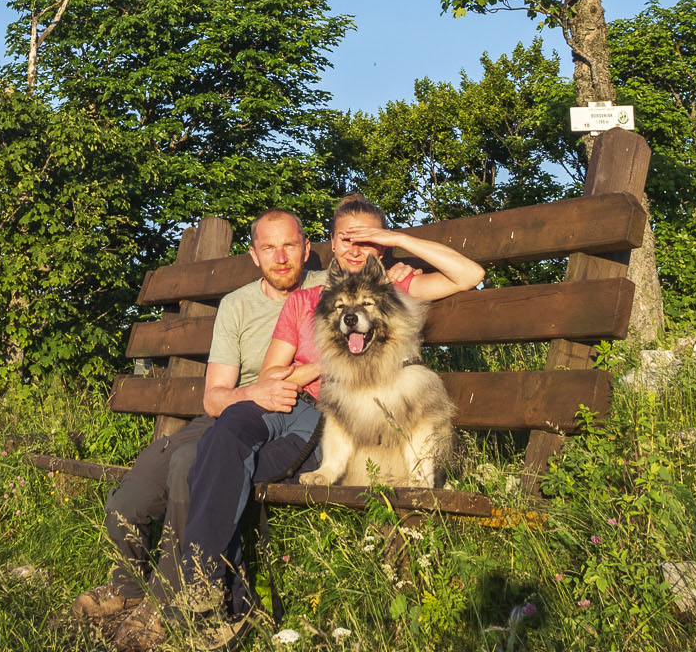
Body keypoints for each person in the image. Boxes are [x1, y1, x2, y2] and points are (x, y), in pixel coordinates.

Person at [148, 194, 486, 641]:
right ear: (329, 243)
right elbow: (271, 375)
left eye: (367, 239)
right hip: (299, 409)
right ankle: (211, 593)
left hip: (356, 421)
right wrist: (321, 366)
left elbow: (471, 275)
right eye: (347, 238)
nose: (356, 248)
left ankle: (216, 599)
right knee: (219, 443)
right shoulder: (307, 300)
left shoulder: (393, 289)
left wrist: (394, 240)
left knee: (215, 463)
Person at [72, 208, 323, 628]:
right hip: (231, 411)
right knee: (135, 491)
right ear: (254, 255)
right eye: (269, 248)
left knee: (190, 467)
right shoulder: (237, 305)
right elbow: (214, 398)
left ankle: (169, 603)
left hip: (282, 417)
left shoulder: (328, 290)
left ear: (307, 248)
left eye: (290, 246)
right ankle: (127, 589)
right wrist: (252, 392)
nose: (281, 258)